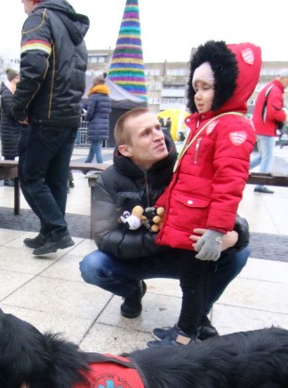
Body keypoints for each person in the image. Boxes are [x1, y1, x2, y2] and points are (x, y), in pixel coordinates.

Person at [79, 107, 249, 341]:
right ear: (125, 150)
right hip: (134, 256)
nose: (159, 135)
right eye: (146, 133)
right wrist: (160, 237)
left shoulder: (187, 167)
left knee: (238, 254)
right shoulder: (108, 181)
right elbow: (104, 236)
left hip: (182, 256)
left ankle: (197, 315)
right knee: (92, 266)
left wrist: (238, 234)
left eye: (158, 128)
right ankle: (133, 292)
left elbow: (225, 208)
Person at [149, 40, 261, 346]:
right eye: (195, 87)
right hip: (189, 220)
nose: (198, 95)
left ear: (228, 86)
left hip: (201, 225)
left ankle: (185, 337)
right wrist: (160, 206)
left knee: (194, 282)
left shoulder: (232, 127)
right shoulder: (206, 124)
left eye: (207, 87)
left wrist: (216, 229)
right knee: (190, 281)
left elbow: (230, 184)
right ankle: (189, 328)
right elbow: (182, 178)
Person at [14, 0, 89, 257]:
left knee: (30, 176)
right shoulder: (73, 27)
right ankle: (49, 232)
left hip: (46, 115)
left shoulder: (40, 19)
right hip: (69, 116)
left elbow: (34, 67)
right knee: (56, 179)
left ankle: (58, 230)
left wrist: (19, 107)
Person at [249, 68, 288, 194]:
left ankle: (240, 171)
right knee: (268, 157)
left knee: (263, 156)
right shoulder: (275, 90)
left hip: (260, 126)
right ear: (283, 78)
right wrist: (285, 116)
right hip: (266, 128)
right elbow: (274, 112)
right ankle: (260, 184)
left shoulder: (270, 88)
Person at [0, 68, 23, 186]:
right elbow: (12, 111)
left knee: (12, 154)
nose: (19, 80)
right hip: (9, 129)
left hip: (13, 129)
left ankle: (11, 177)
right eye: (17, 78)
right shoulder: (7, 93)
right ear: (12, 79)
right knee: (9, 155)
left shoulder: (12, 91)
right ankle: (7, 179)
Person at [83, 75, 111, 164]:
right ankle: (86, 165)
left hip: (95, 124)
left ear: (95, 83)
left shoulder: (94, 96)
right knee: (94, 145)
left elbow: (90, 111)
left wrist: (86, 117)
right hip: (104, 124)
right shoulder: (107, 96)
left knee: (97, 147)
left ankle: (100, 166)